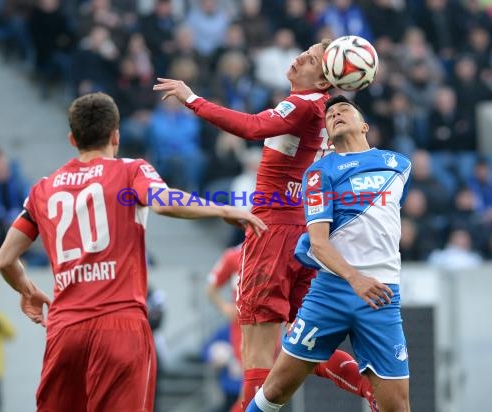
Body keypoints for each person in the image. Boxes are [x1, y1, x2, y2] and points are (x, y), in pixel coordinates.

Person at [0, 92, 267, 412]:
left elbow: (5, 259)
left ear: (72, 139)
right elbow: (164, 202)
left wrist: (27, 290)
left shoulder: (44, 188)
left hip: (65, 330)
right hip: (120, 327)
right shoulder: (130, 171)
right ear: (116, 136)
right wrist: (221, 210)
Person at [153, 40, 377, 411]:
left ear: (325, 78)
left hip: (270, 229)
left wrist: (193, 99)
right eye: (305, 50)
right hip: (305, 233)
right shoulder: (327, 113)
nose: (300, 56)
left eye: (311, 57)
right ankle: (371, 389)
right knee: (303, 341)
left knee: (254, 348)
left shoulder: (304, 103)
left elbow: (253, 127)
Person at [246, 95, 412, 412]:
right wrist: (354, 278)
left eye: (344, 110)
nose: (335, 114)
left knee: (397, 406)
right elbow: (319, 243)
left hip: (381, 294)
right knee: (277, 389)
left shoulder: (398, 164)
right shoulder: (320, 173)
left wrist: (366, 280)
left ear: (364, 125)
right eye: (330, 114)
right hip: (331, 292)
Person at [206, 243, 244, 412]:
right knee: (251, 386)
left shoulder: (274, 251)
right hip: (242, 330)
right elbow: (211, 288)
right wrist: (225, 307)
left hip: (268, 328)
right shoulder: (233, 255)